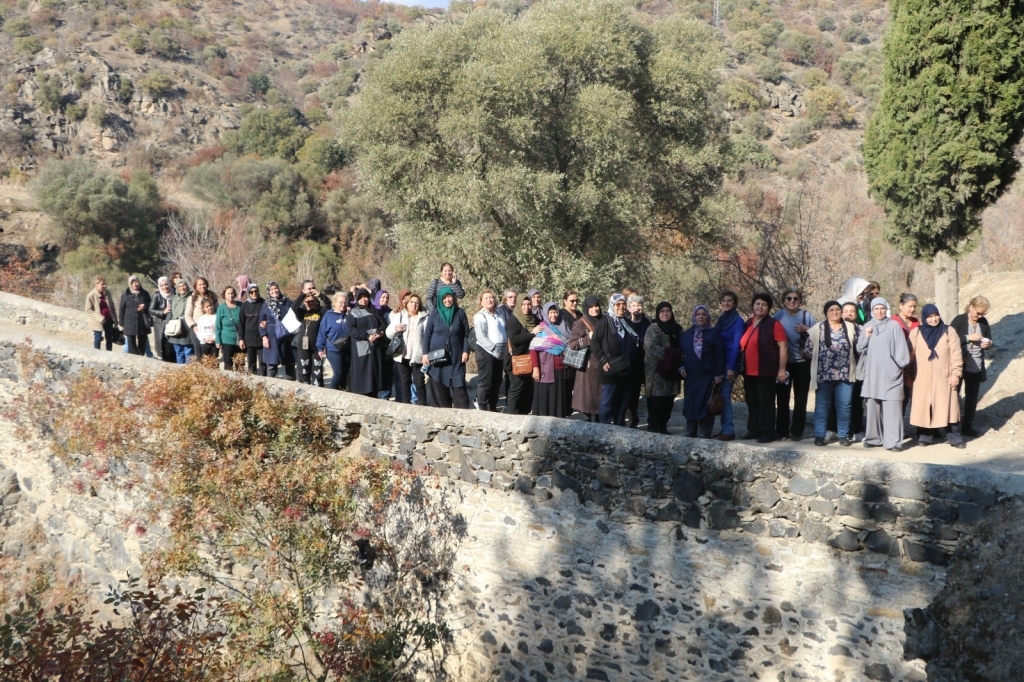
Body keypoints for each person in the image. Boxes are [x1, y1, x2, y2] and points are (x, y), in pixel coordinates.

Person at [857, 298, 911, 452]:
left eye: (882, 308)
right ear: (872, 310)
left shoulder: (894, 325)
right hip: (872, 373)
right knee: (873, 407)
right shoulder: (868, 326)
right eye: (876, 309)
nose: (879, 312)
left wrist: (897, 366)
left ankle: (893, 442)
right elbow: (860, 348)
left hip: (890, 372)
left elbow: (901, 349)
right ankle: (874, 438)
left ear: (886, 309)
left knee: (892, 406)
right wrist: (867, 335)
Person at [909, 304, 965, 448]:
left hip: (944, 376)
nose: (934, 319)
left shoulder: (949, 331)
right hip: (921, 378)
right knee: (923, 407)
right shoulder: (916, 332)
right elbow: (909, 355)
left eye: (936, 315)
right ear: (924, 317)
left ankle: (954, 438)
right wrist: (907, 374)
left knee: (949, 407)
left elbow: (956, 354)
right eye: (930, 316)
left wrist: (955, 374)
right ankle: (924, 437)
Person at [807, 301, 859, 447]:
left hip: (845, 374)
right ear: (826, 312)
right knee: (822, 406)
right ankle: (819, 435)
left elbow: (861, 344)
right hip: (824, 375)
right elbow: (809, 350)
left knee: (844, 406)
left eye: (837, 309)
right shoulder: (817, 329)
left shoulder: (851, 327)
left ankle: (843, 435)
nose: (835, 312)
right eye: (831, 310)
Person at [739, 293, 788, 443]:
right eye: (758, 304)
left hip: (766, 371)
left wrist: (781, 369)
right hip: (749, 371)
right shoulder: (749, 323)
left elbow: (783, 346)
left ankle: (767, 432)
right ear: (753, 306)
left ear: (769, 308)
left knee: (766, 403)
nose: (760, 307)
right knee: (752, 402)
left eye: (764, 305)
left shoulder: (774, 324)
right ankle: (753, 430)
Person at [773, 287, 815, 441]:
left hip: (802, 363)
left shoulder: (807, 316)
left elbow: (819, 336)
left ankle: (796, 432)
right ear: (784, 301)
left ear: (800, 301)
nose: (792, 301)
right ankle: (782, 431)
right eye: (789, 298)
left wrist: (806, 329)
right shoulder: (778, 316)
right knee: (782, 398)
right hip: (783, 364)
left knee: (801, 397)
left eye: (795, 298)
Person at [592, 293, 642, 426]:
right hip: (610, 368)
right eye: (618, 304)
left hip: (625, 370)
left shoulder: (625, 322)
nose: (621, 307)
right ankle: (605, 428)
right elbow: (595, 343)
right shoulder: (605, 321)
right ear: (612, 306)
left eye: (623, 304)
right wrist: (603, 360)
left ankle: (619, 426)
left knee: (623, 400)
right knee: (608, 401)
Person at [679, 305, 726, 438]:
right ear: (694, 316)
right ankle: (690, 431)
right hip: (691, 376)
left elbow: (719, 355)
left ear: (708, 317)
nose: (700, 316)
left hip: (708, 376)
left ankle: (705, 432)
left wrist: (718, 375)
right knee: (691, 403)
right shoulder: (686, 334)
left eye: (703, 314)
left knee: (706, 404)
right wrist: (681, 367)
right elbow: (681, 354)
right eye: (698, 314)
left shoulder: (714, 333)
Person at [421, 286, 472, 409]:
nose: (447, 300)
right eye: (444, 298)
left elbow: (466, 334)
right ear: (439, 299)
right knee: (439, 388)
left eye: (449, 297)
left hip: (456, 357)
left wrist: (466, 350)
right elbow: (427, 334)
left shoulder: (460, 313)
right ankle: (443, 418)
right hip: (437, 357)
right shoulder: (435, 313)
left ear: (453, 298)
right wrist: (425, 353)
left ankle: (463, 417)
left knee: (459, 389)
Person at [950, 296, 993, 437]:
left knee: (972, 396)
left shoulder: (983, 322)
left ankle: (968, 425)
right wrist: (968, 338)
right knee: (955, 395)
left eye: (983, 313)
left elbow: (989, 339)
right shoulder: (959, 320)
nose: (979, 316)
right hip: (959, 364)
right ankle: (953, 424)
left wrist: (988, 344)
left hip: (976, 365)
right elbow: (949, 340)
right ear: (971, 307)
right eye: (978, 313)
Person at [643, 302, 682, 434]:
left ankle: (663, 426)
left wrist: (677, 357)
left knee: (668, 400)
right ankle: (653, 426)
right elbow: (650, 347)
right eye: (662, 311)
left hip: (671, 373)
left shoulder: (677, 329)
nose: (665, 314)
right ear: (658, 313)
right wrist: (670, 353)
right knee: (656, 401)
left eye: (668, 311)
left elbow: (682, 347)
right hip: (656, 373)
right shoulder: (653, 328)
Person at [529, 302, 571, 418]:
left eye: (555, 312)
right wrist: (536, 368)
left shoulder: (564, 328)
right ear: (546, 314)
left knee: (558, 397)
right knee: (545, 397)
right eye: (551, 312)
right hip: (545, 369)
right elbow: (533, 349)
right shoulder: (542, 329)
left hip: (561, 369)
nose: (553, 315)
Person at [714, 290, 745, 441]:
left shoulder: (738, 321)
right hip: (719, 363)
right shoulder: (721, 320)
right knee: (720, 396)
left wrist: (731, 368)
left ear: (735, 303)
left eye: (729, 301)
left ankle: (728, 429)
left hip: (730, 363)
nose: (726, 303)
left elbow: (736, 347)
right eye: (723, 301)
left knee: (725, 396)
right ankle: (724, 428)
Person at [387, 293, 427, 404]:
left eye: (417, 303)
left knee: (419, 382)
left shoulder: (424, 317)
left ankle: (423, 406)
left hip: (417, 355)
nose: (414, 305)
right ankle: (406, 405)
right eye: (412, 302)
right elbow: (388, 333)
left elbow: (428, 336)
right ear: (407, 304)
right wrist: (395, 328)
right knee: (405, 381)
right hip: (402, 354)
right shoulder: (399, 316)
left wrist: (426, 353)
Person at [346, 288, 388, 397]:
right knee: (364, 371)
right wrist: (367, 336)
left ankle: (374, 393)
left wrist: (380, 333)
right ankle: (363, 395)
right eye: (360, 297)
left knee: (374, 371)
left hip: (375, 345)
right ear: (357, 299)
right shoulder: (353, 313)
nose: (363, 300)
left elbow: (382, 324)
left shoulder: (373, 311)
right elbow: (351, 330)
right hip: (362, 345)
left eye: (365, 297)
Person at [569, 296, 603, 422]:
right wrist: (588, 338)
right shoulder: (581, 323)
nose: (594, 309)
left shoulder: (603, 320)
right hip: (587, 368)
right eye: (591, 307)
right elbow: (572, 344)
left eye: (596, 306)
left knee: (600, 398)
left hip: (601, 364)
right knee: (587, 399)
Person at [504, 294, 538, 415]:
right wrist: (532, 334)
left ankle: (524, 415)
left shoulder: (534, 319)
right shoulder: (513, 320)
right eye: (523, 304)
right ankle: (512, 416)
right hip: (517, 360)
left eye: (528, 304)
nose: (526, 307)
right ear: (519, 305)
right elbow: (514, 340)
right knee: (516, 389)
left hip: (530, 359)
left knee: (528, 389)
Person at [473, 289, 506, 412]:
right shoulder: (480, 316)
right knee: (486, 382)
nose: (489, 300)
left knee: (496, 381)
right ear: (481, 302)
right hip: (486, 352)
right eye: (486, 298)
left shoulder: (499, 315)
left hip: (499, 354)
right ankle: (482, 408)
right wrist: (494, 348)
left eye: (491, 297)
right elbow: (481, 336)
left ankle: (492, 408)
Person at [258, 282, 294, 379]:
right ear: (268, 292)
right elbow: (261, 321)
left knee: (289, 363)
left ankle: (290, 387)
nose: (274, 291)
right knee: (272, 365)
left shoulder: (287, 302)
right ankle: (271, 386)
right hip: (272, 337)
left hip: (286, 336)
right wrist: (264, 337)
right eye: (271, 289)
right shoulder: (266, 304)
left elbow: (295, 314)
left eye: (275, 288)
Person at [293, 286, 326, 386]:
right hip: (303, 346)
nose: (311, 303)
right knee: (304, 372)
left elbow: (329, 305)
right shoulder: (302, 313)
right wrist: (303, 294)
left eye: (313, 301)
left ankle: (319, 393)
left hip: (317, 346)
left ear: (316, 301)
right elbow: (294, 307)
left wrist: (320, 295)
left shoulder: (321, 311)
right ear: (304, 302)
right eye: (308, 302)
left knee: (318, 373)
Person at [317, 292, 351, 390]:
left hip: (348, 348)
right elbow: (322, 333)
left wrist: (350, 314)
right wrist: (320, 348)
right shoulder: (328, 316)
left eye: (345, 302)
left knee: (347, 373)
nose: (343, 304)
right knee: (338, 373)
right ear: (335, 303)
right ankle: (332, 392)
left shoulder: (349, 314)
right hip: (333, 349)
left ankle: (344, 391)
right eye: (340, 302)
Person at [559, 290, 582, 411]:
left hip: (579, 351)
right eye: (572, 301)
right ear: (565, 301)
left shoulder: (579, 314)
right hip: (566, 350)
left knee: (576, 379)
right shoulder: (561, 314)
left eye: (576, 301)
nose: (574, 303)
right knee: (566, 380)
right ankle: (566, 407)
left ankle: (573, 405)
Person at [118, 275, 152, 356]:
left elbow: (151, 304)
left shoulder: (144, 293)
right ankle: (134, 358)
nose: (135, 284)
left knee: (142, 341)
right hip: (129, 321)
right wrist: (121, 322)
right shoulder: (125, 294)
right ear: (130, 284)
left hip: (142, 321)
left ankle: (141, 357)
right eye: (132, 283)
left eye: (136, 282)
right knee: (131, 342)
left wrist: (145, 305)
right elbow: (122, 308)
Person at [186, 277, 216, 359]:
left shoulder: (212, 296)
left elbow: (217, 311)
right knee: (199, 355)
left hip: (211, 330)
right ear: (195, 286)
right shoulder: (192, 298)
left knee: (211, 357)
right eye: (199, 285)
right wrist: (193, 326)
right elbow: (187, 315)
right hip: (197, 329)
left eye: (204, 284)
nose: (202, 286)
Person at [85, 276, 118, 351]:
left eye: (105, 284)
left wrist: (115, 319)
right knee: (98, 338)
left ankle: (109, 353)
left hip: (108, 319)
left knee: (109, 337)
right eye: (102, 284)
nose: (104, 286)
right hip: (97, 321)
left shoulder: (107, 293)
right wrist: (100, 318)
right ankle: (97, 354)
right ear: (96, 285)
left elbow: (112, 307)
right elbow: (88, 310)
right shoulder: (91, 295)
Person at [239, 283, 266, 375]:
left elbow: (269, 318)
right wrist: (241, 338)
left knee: (263, 362)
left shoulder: (264, 303)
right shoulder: (245, 305)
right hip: (249, 339)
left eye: (256, 291)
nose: (254, 293)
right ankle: (253, 381)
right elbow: (241, 323)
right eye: (251, 292)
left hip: (261, 338)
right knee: (251, 363)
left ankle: (264, 382)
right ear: (248, 293)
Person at [215, 286, 243, 371]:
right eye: (228, 293)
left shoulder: (240, 306)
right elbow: (218, 326)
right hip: (227, 339)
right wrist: (218, 341)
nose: (230, 295)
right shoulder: (221, 308)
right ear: (225, 295)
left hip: (240, 339)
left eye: (232, 293)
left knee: (240, 363)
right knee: (228, 364)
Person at [372, 290, 394, 399]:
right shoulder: (371, 311)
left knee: (387, 373)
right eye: (382, 297)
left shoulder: (391, 313)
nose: (385, 300)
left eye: (387, 298)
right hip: (375, 346)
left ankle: (385, 397)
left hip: (387, 346)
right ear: (377, 298)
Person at [149, 276, 176, 362]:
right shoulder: (157, 295)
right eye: (162, 285)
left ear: (170, 284)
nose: (165, 287)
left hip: (174, 324)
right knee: (164, 346)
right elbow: (151, 310)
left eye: (166, 284)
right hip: (161, 324)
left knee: (174, 346)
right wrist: (163, 312)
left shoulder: (175, 293)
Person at [168, 280, 195, 364]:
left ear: (187, 286)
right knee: (179, 352)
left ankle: (188, 373)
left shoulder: (192, 297)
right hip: (176, 327)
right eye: (179, 286)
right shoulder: (174, 298)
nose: (182, 288)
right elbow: (171, 313)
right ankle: (180, 372)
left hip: (187, 327)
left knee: (189, 352)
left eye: (184, 286)